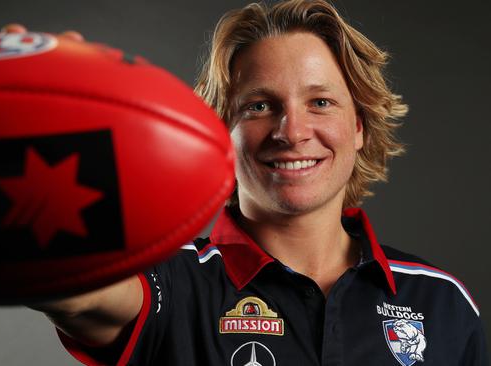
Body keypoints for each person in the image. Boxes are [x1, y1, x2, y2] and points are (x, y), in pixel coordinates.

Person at [29, 1, 489, 365]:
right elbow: (68, 289)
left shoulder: (441, 299)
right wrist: (27, 135)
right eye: (259, 106)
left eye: (321, 102)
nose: (291, 131)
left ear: (359, 128)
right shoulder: (172, 280)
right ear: (218, 132)